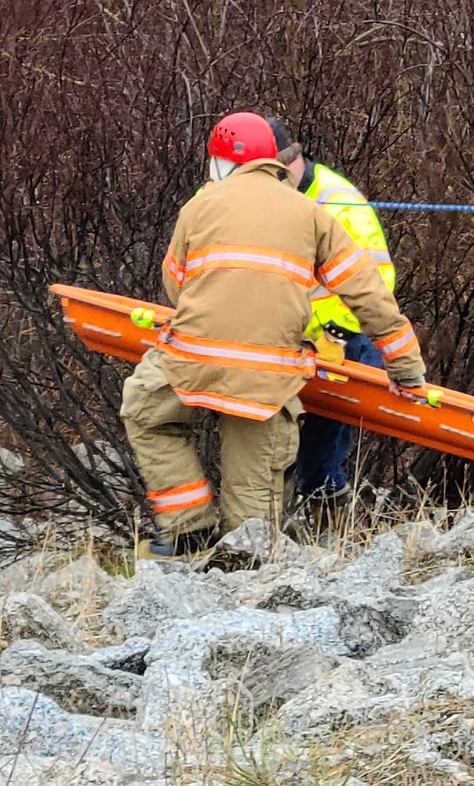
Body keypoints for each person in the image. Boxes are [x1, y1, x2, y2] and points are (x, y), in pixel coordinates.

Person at [120, 112, 426, 558]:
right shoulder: (312, 213)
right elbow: (371, 296)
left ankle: (189, 530)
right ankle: (245, 573)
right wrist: (405, 369)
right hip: (267, 375)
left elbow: (175, 283)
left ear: (221, 163)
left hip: (188, 360)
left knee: (145, 412)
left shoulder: (200, 205)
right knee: (253, 522)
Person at [266, 118, 402, 525]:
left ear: (292, 161)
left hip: (339, 336)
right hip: (279, 334)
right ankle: (287, 513)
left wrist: (335, 333)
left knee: (323, 436)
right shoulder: (246, 194)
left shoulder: (338, 202)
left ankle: (324, 517)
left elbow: (374, 285)